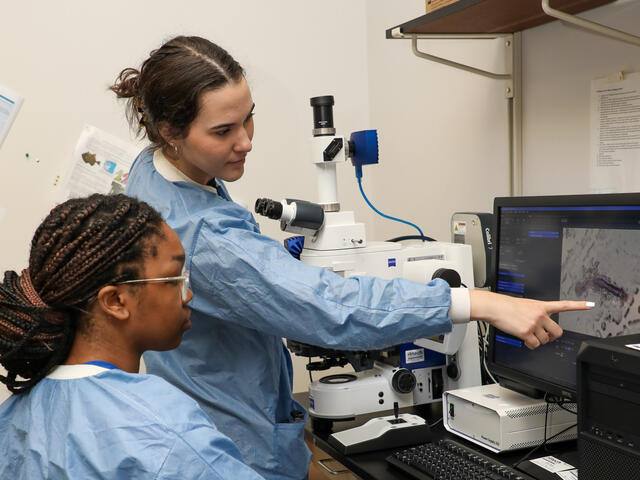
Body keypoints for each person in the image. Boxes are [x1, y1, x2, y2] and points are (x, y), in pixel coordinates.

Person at [112, 36, 592, 480]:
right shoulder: (203, 234)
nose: (246, 141)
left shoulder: (154, 171)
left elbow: (225, 273)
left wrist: (268, 261)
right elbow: (327, 308)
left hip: (199, 413)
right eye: (223, 130)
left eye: (249, 118)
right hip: (235, 444)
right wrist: (478, 301)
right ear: (170, 129)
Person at [0, 193, 264, 480]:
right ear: (115, 301)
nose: (188, 295)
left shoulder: (11, 419)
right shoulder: (163, 428)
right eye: (174, 279)